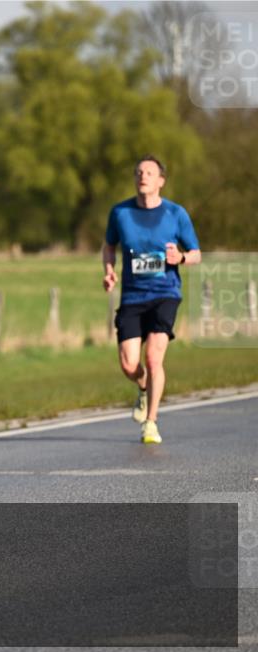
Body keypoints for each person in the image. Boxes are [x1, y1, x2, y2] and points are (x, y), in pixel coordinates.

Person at [102, 155, 200, 444]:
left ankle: (151, 422)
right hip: (133, 296)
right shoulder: (120, 213)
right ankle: (143, 389)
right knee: (129, 365)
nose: (143, 176)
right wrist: (108, 270)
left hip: (165, 294)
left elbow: (196, 253)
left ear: (160, 181)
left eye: (149, 172)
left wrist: (181, 257)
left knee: (153, 358)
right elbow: (109, 246)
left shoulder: (175, 213)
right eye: (138, 172)